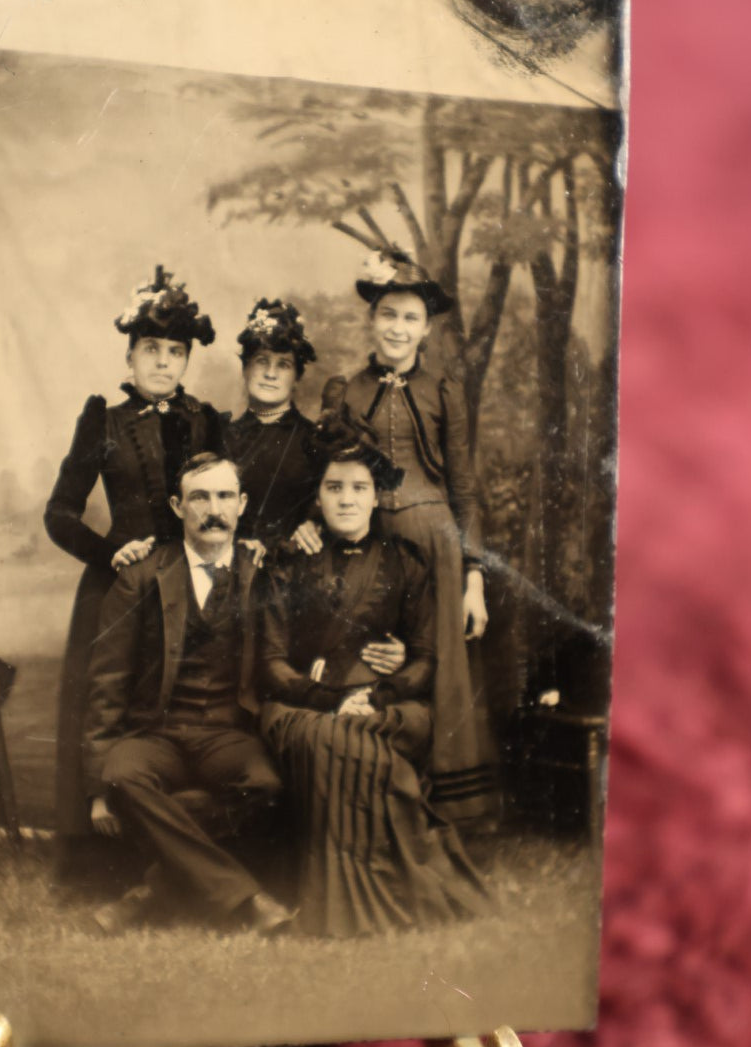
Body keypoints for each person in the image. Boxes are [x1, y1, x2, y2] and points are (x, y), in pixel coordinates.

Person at [260, 418, 487, 936]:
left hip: (387, 707)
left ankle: (370, 893)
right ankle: (378, 895)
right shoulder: (287, 563)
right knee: (332, 740)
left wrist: (378, 692)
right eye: (334, 487)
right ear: (317, 495)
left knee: (355, 737)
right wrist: (326, 696)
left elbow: (426, 659)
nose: (346, 499)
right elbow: (271, 664)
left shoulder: (406, 562)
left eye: (359, 488)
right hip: (304, 708)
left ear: (377, 496)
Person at [297, 247, 497, 825]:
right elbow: (330, 479)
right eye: (388, 314)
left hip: (436, 547)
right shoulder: (348, 391)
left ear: (426, 327)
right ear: (372, 318)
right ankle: (383, 803)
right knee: (378, 663)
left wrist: (476, 576)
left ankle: (444, 812)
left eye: (411, 318)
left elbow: (464, 486)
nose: (398, 328)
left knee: (437, 667)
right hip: (371, 542)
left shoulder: (444, 390)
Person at [44, 266, 223, 874]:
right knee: (110, 707)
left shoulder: (206, 421)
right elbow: (60, 513)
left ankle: (176, 854)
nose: (165, 363)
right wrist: (107, 552)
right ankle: (102, 860)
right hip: (117, 588)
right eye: (152, 350)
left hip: (188, 588)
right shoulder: (104, 419)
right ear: (130, 355)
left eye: (176, 352)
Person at [85, 453, 292, 934]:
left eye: (224, 496)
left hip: (227, 732)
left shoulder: (264, 574)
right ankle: (248, 900)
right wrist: (98, 790)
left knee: (267, 786)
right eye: (199, 497)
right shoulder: (140, 575)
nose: (212, 508)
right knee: (122, 775)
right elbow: (106, 681)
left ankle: (152, 891)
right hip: (158, 732)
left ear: (242, 505)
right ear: (179, 507)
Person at [222, 299, 319, 545]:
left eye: (284, 365)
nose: (270, 374)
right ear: (245, 368)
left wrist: (315, 521)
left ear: (297, 377)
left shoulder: (315, 439)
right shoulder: (221, 437)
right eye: (262, 361)